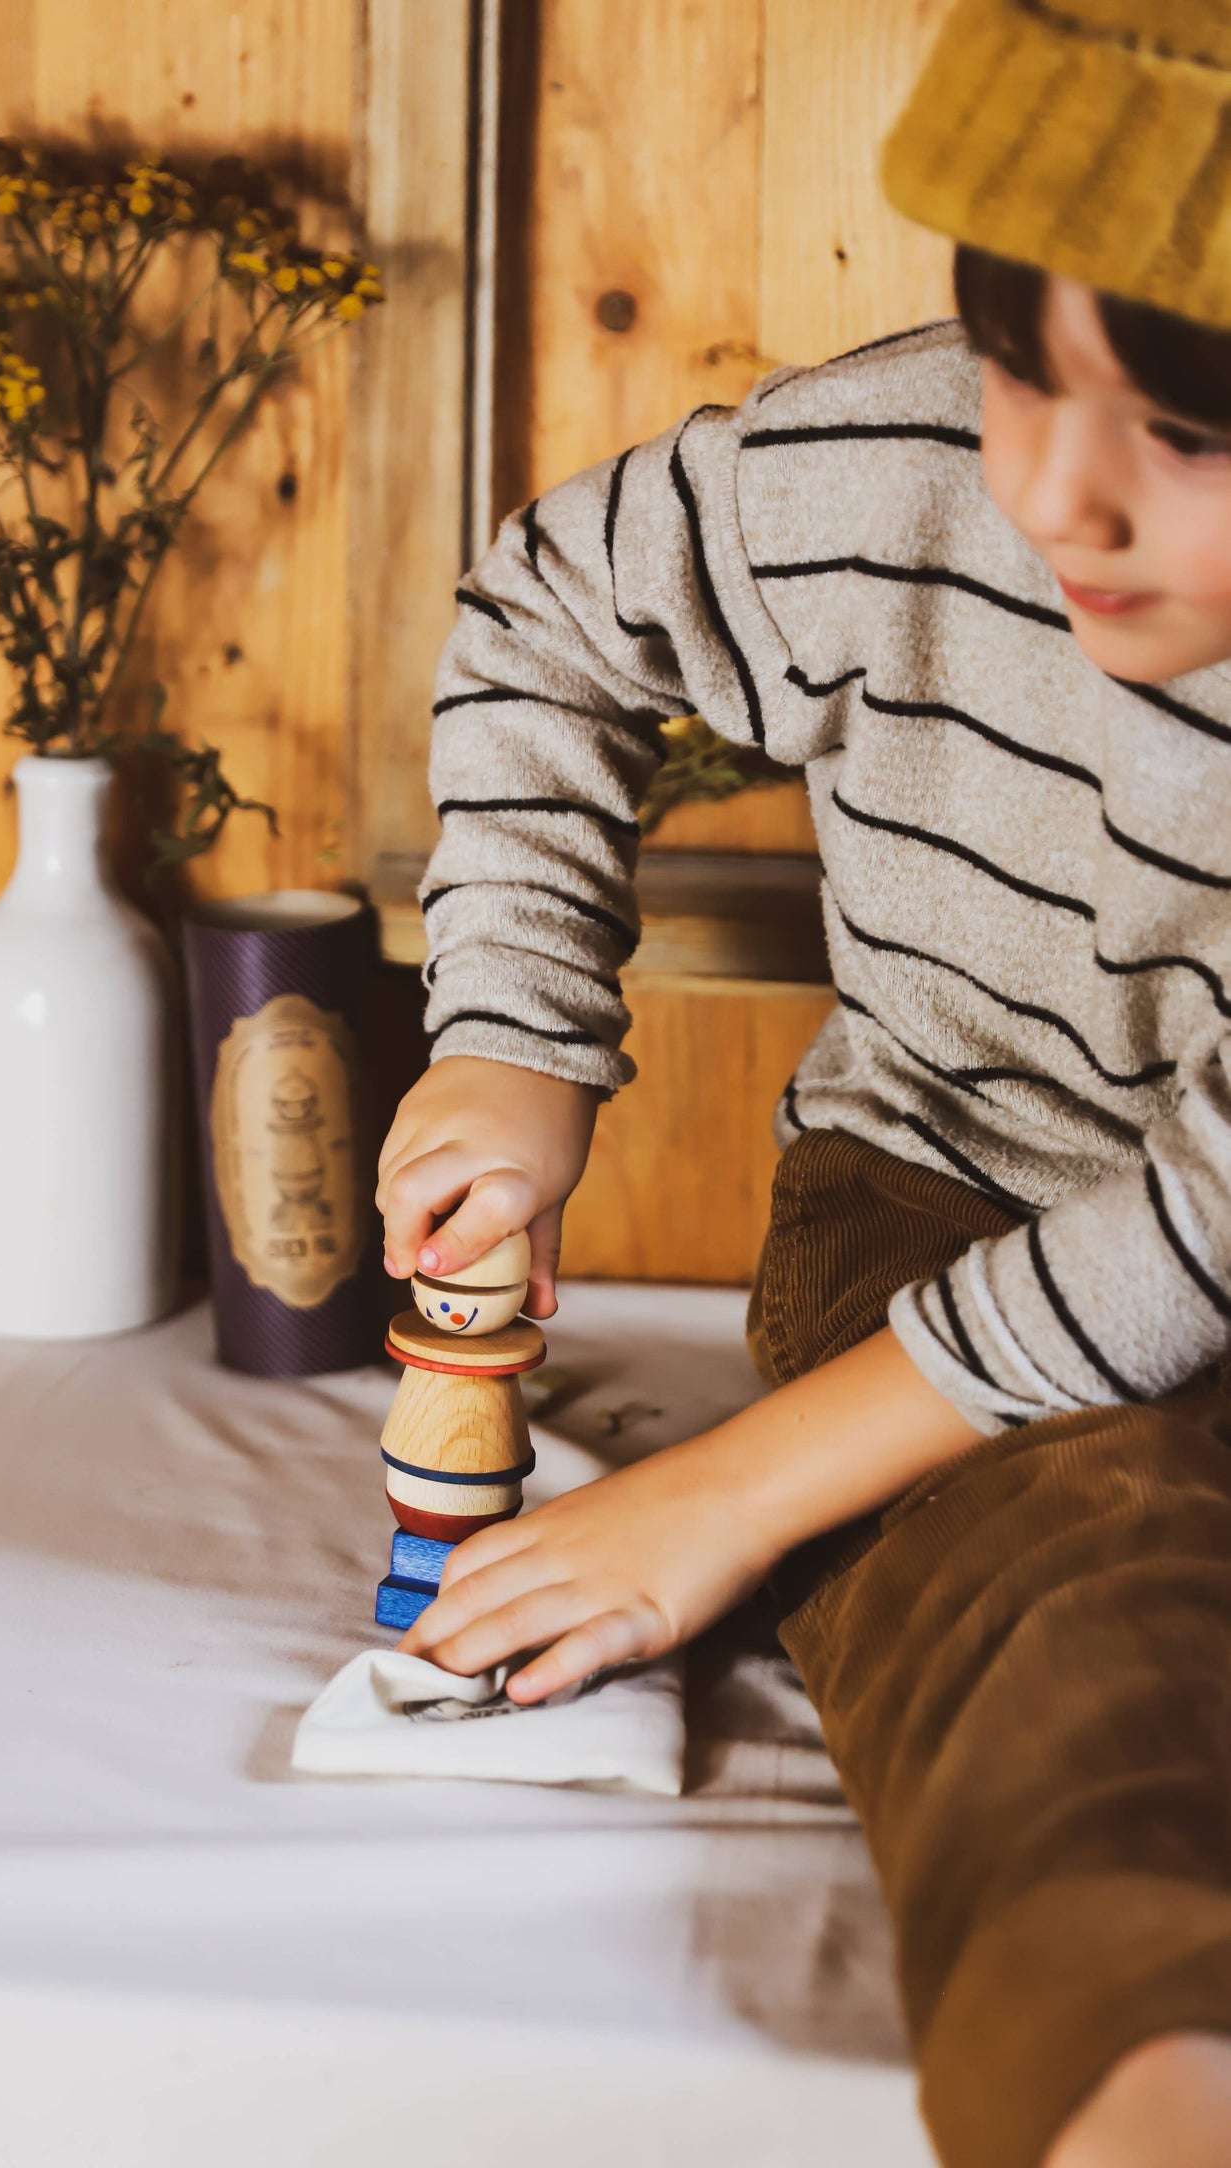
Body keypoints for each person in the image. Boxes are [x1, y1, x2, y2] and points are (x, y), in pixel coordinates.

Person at [375, 4, 1231, 2162]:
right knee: (1087, 1604)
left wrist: (733, 1490)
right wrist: (506, 1029)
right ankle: (1153, 2075)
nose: (1055, 489)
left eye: (1193, 429)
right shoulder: (894, 470)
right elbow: (550, 618)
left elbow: (1201, 1238)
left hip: (1188, 1234)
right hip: (943, 1202)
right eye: (1020, 362)